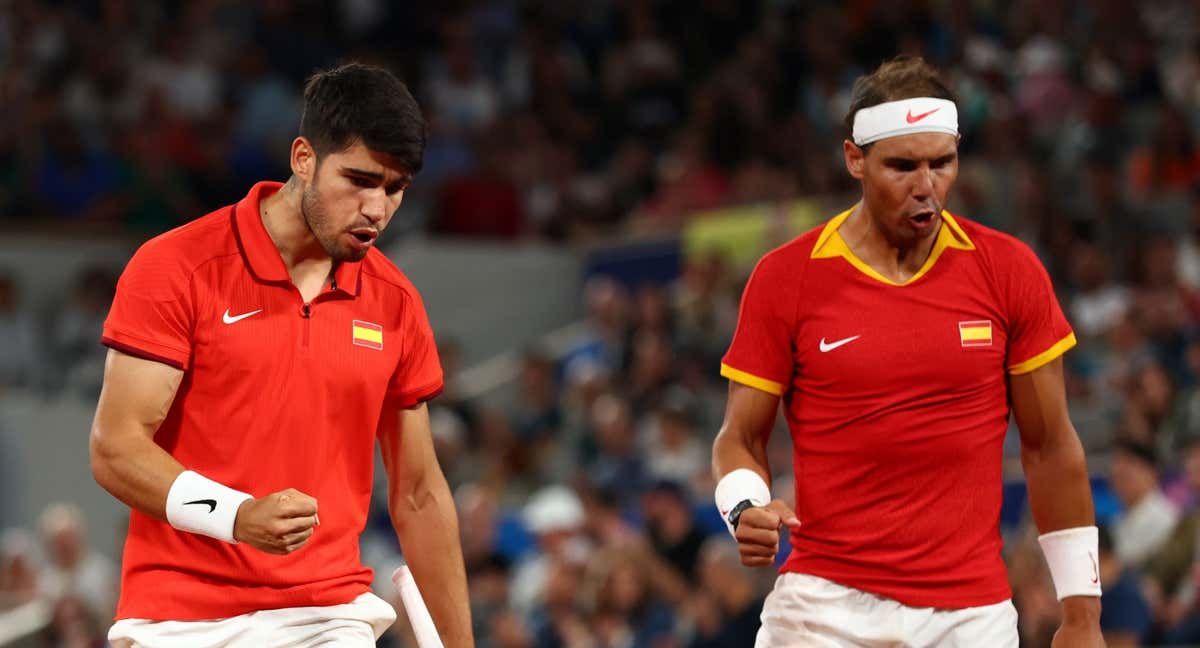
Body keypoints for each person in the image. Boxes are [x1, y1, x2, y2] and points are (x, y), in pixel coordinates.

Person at [711, 57, 1103, 646]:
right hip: (821, 611)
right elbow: (739, 436)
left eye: (941, 163)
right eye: (902, 166)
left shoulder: (1009, 270)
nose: (926, 186)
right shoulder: (784, 277)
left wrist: (1081, 616)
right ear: (854, 160)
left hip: (972, 618)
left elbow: (1050, 448)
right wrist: (744, 507)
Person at [89, 62, 472, 647]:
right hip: (175, 621)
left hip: (327, 617)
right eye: (361, 180)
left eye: (395, 189)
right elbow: (116, 447)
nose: (377, 209)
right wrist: (236, 516)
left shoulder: (396, 303)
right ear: (303, 159)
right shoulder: (176, 267)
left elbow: (419, 493)